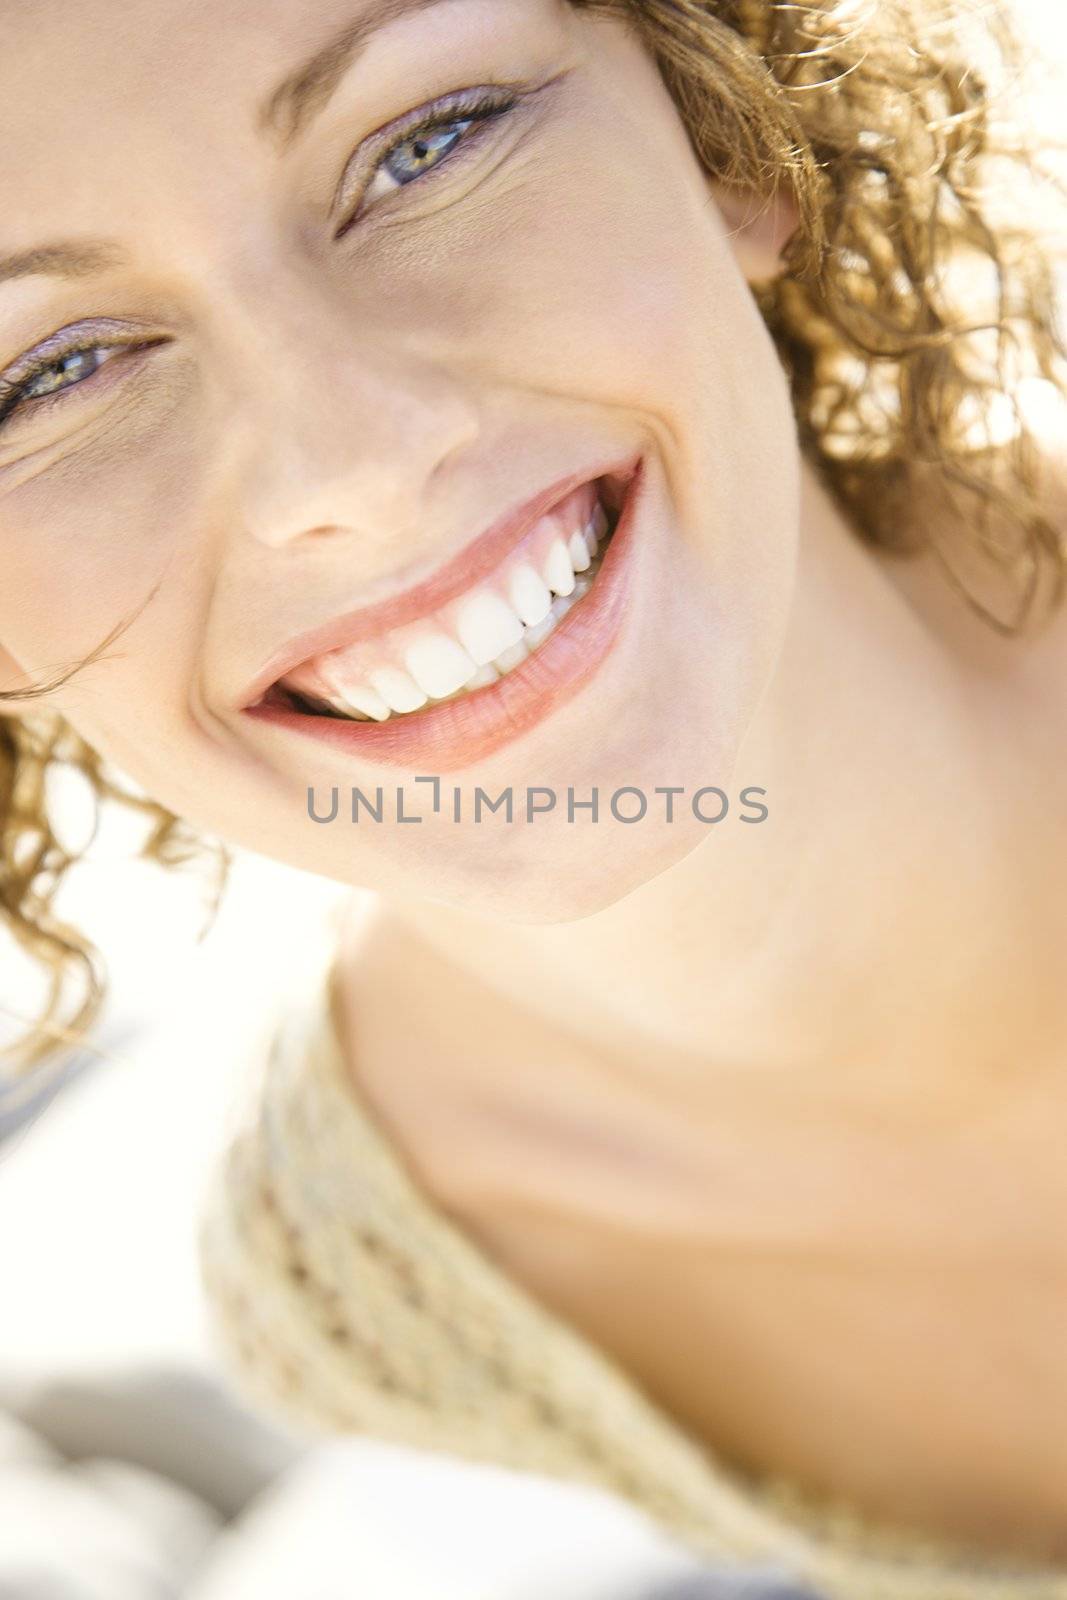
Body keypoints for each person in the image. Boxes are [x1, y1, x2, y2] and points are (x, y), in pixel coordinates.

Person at [1, 0, 1065, 1595]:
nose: (353, 467)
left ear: (729, 129)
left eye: (428, 143)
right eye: (50, 373)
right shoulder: (389, 1286)